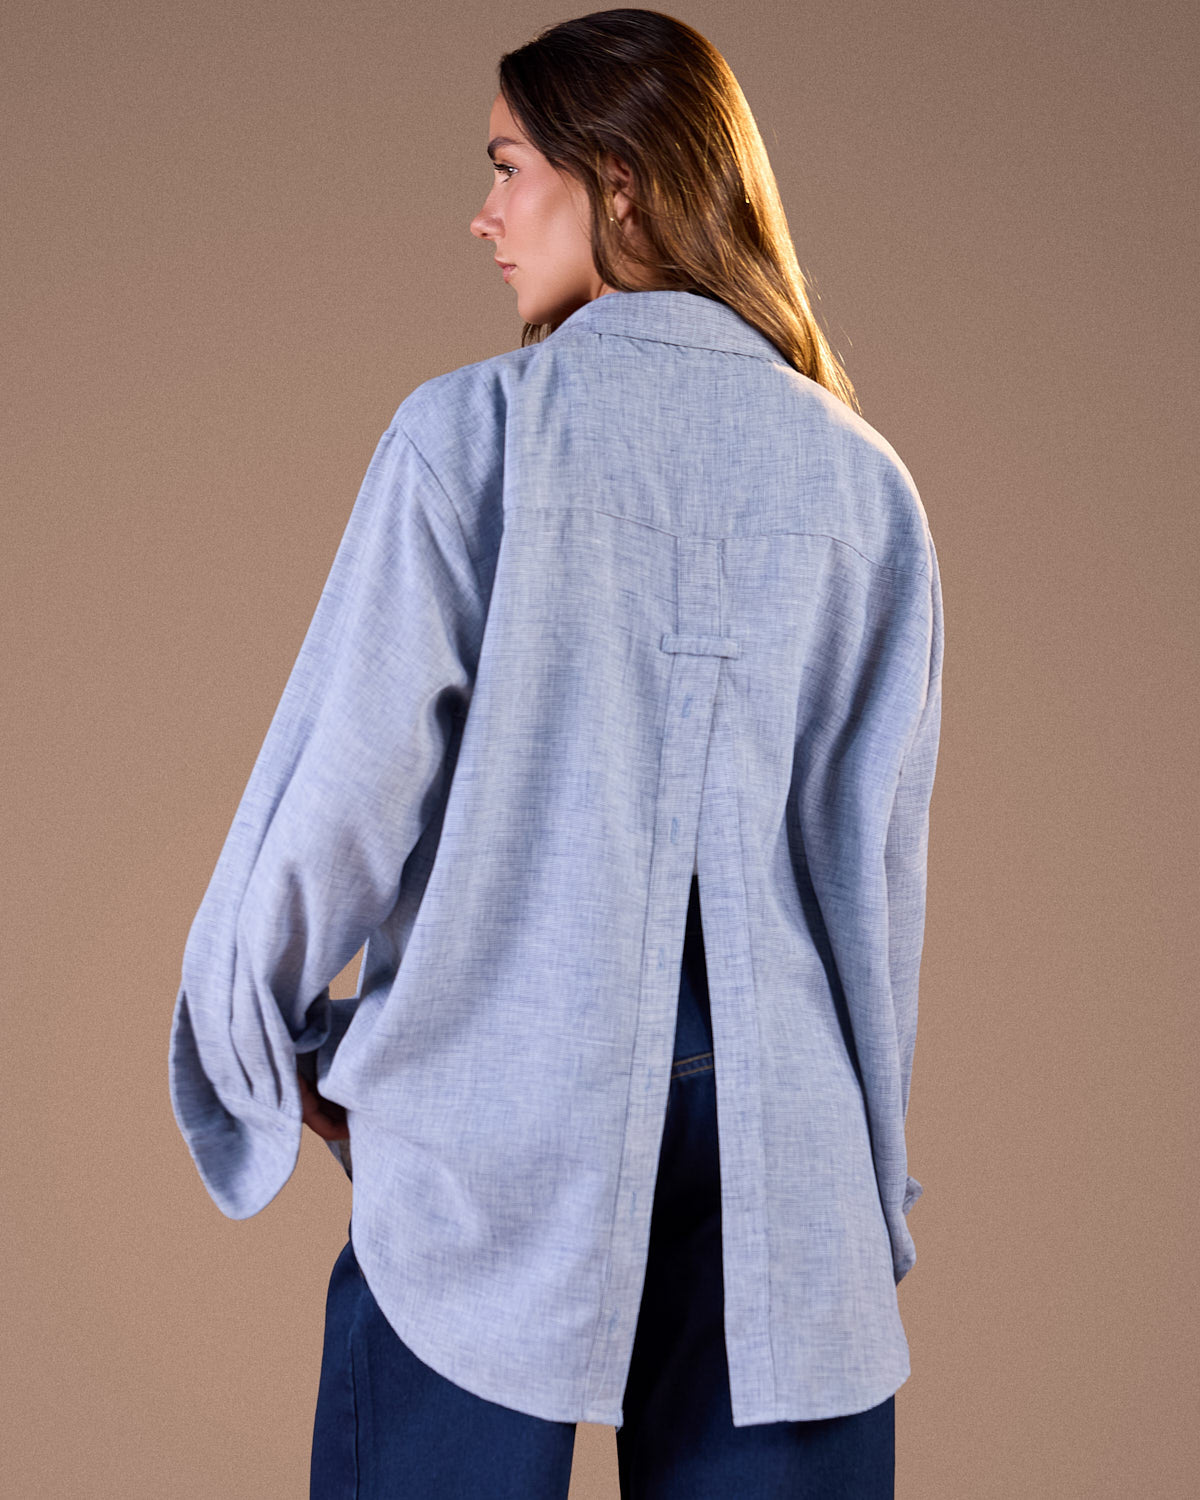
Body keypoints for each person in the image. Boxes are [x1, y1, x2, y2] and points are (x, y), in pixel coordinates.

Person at [168, 10, 943, 1498]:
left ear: (623, 183)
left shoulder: (474, 436)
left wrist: (259, 1034)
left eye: (509, 166)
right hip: (782, 1133)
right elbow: (873, 875)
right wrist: (866, 1176)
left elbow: (346, 793)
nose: (486, 213)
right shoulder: (865, 484)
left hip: (502, 1097)